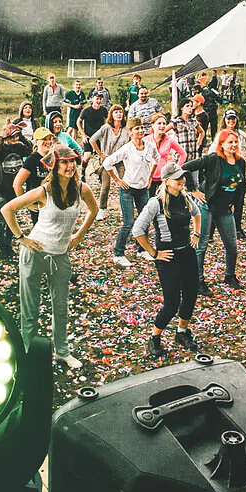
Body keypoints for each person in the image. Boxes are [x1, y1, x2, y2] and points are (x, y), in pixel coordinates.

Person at [1, 144, 98, 370]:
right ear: (54, 166)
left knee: (60, 306)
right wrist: (21, 238)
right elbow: (7, 209)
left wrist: (79, 235)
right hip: (35, 252)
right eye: (64, 162)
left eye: (72, 161)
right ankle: (27, 351)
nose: (70, 165)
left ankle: (62, 352)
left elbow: (93, 210)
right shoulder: (43, 191)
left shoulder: (82, 189)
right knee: (30, 307)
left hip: (61, 255)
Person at [132, 162, 202, 357]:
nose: (182, 181)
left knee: (190, 294)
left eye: (183, 177)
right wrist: (154, 253)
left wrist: (196, 233)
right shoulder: (156, 202)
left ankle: (182, 332)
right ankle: (155, 337)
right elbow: (138, 230)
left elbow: (197, 214)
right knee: (171, 302)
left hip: (186, 252)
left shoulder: (186, 197)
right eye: (177, 178)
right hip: (167, 256)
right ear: (166, 181)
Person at [183, 129, 246, 291]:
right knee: (202, 244)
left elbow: (241, 187)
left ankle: (229, 276)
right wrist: (193, 189)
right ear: (221, 144)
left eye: (235, 142)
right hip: (207, 206)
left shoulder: (240, 162)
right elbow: (186, 167)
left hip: (225, 209)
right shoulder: (213, 159)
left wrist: (237, 206)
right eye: (229, 142)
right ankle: (198, 280)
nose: (233, 145)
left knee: (232, 245)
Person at [103, 117, 160, 268]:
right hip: (128, 188)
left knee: (144, 220)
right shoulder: (127, 149)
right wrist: (117, 180)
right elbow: (107, 163)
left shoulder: (149, 146)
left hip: (143, 189)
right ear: (130, 132)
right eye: (136, 129)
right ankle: (118, 253)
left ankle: (141, 248)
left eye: (141, 128)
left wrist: (150, 178)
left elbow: (156, 159)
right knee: (128, 222)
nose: (140, 131)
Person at [0, 123, 33, 258]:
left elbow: (30, 150)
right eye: (12, 137)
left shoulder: (19, 147)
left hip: (13, 188)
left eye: (17, 136)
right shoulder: (2, 148)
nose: (15, 139)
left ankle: (8, 245)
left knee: (11, 218)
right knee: (2, 218)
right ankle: (0, 246)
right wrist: (2, 138)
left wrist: (21, 136)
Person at [88, 104, 129, 214]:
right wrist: (100, 154)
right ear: (111, 114)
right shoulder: (106, 127)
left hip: (121, 159)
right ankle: (102, 209)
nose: (119, 114)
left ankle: (124, 208)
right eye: (116, 112)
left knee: (124, 183)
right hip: (108, 158)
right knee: (106, 185)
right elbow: (92, 140)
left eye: (120, 112)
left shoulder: (126, 128)